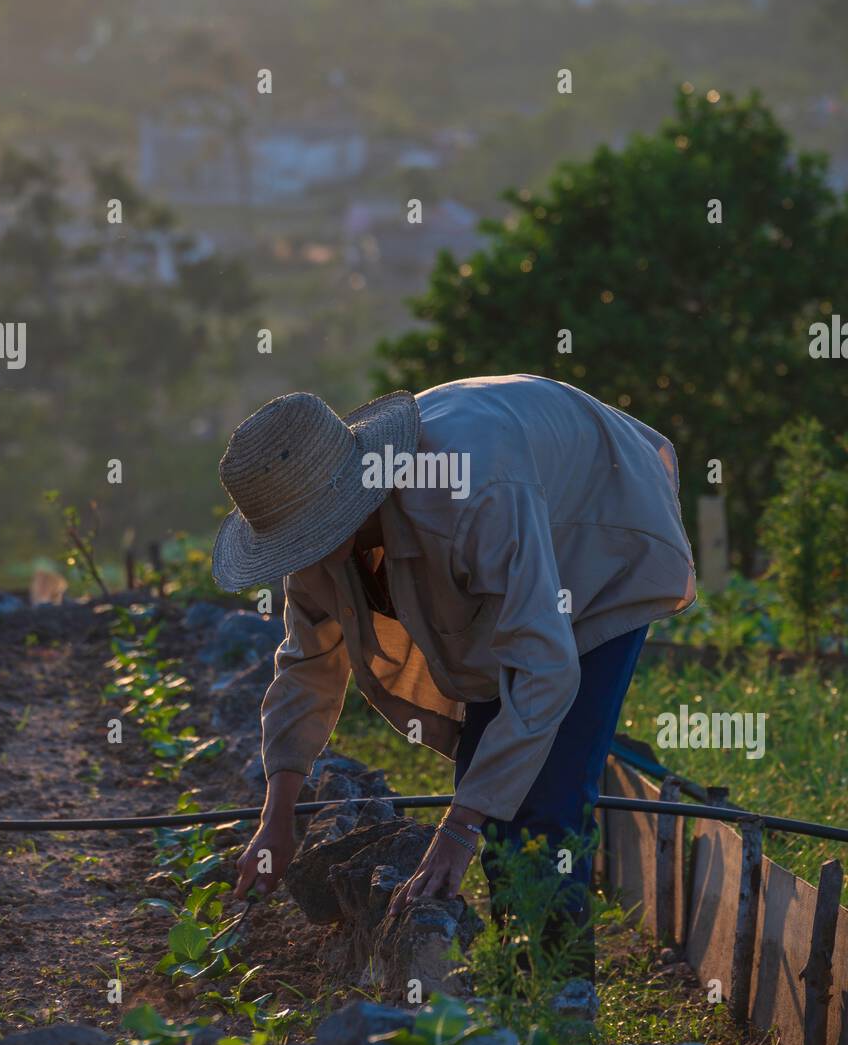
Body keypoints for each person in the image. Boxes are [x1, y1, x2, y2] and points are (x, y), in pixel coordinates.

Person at [212, 375, 696, 971]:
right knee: (489, 778)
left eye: (303, 536)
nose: (298, 553)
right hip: (520, 542)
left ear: (345, 502)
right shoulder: (315, 546)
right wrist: (276, 818)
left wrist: (459, 828)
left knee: (546, 794)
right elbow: (307, 666)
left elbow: (543, 668)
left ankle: (556, 1001)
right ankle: (521, 981)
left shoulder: (470, 494)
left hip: (599, 523)